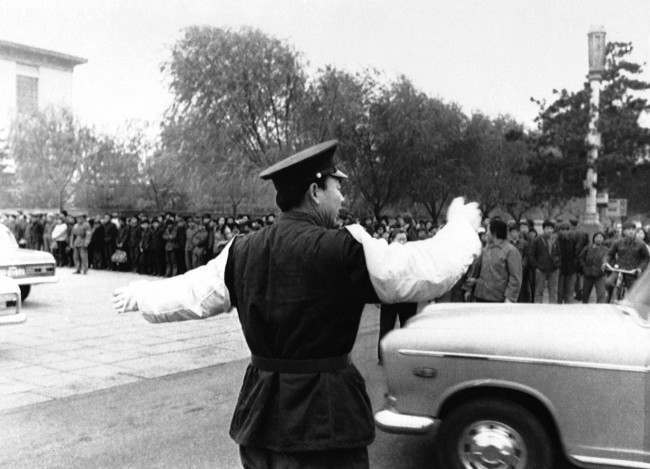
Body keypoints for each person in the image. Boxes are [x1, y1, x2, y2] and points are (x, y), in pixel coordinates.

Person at [112, 140, 482, 469]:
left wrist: (141, 296)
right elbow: (424, 269)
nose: (342, 198)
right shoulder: (345, 248)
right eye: (337, 186)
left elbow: (193, 294)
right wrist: (462, 228)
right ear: (315, 191)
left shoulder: (241, 250)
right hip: (326, 421)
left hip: (261, 418)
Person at [376, 229, 416, 365]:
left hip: (408, 298)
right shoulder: (385, 256)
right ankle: (383, 356)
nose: (402, 243)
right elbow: (378, 275)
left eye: (404, 240)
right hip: (390, 297)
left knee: (407, 327)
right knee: (386, 327)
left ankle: (407, 354)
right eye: (399, 239)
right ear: (391, 240)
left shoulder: (411, 256)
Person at [467, 219, 522, 303]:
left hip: (498, 299)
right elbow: (478, 272)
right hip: (480, 296)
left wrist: (510, 298)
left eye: (488, 231)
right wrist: (471, 287)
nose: (486, 234)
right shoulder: (485, 250)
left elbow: (515, 277)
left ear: (494, 233)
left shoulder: (511, 251)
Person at [604, 221, 650, 300]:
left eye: (633, 229)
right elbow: (609, 254)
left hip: (632, 271)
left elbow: (646, 258)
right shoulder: (617, 242)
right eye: (628, 229)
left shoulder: (641, 244)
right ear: (624, 231)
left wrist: (640, 268)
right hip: (618, 269)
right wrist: (605, 263)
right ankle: (608, 298)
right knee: (608, 283)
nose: (631, 231)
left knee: (633, 292)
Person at [530, 220, 560, 303]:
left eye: (551, 228)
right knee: (539, 291)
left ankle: (553, 310)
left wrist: (558, 264)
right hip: (541, 269)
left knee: (553, 292)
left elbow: (560, 253)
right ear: (543, 229)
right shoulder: (537, 240)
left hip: (553, 269)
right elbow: (531, 255)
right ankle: (538, 310)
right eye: (547, 228)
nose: (549, 230)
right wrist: (536, 266)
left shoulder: (556, 240)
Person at [579, 232, 608, 303]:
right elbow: (581, 258)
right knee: (585, 294)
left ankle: (600, 309)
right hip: (588, 274)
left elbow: (608, 259)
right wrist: (584, 267)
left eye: (601, 237)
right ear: (594, 238)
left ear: (603, 239)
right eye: (597, 237)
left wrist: (605, 267)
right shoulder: (588, 248)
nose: (599, 239)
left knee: (601, 294)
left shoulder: (606, 250)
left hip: (600, 275)